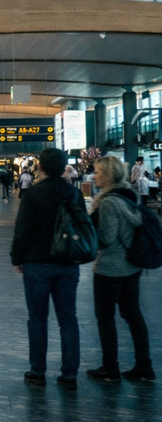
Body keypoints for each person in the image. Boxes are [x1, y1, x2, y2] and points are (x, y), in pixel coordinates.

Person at [11, 147, 84, 390]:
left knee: (38, 319)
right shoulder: (73, 194)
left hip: (37, 263)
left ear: (40, 166)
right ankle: (70, 373)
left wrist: (16, 257)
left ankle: (37, 370)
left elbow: (23, 230)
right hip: (67, 263)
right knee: (68, 319)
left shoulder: (33, 194)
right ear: (64, 167)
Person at [86, 156, 154, 382]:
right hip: (132, 265)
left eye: (96, 172)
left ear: (107, 176)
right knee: (133, 314)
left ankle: (110, 367)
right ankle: (144, 366)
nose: (93, 176)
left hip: (109, 268)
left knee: (105, 316)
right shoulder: (131, 195)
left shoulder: (108, 202)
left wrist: (88, 236)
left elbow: (106, 238)